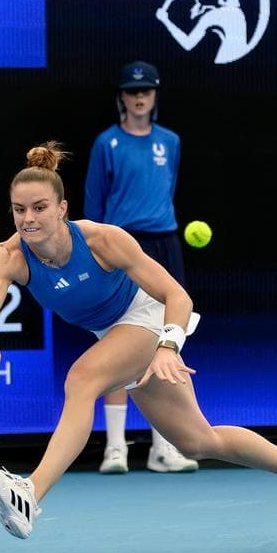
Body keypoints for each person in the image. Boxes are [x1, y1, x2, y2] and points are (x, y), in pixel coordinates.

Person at [0, 142, 277, 546]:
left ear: (62, 209)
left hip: (149, 318)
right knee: (198, 440)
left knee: (81, 379)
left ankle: (30, 492)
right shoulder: (7, 255)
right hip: (114, 334)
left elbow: (177, 296)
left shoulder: (102, 240)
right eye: (19, 209)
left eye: (40, 207)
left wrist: (168, 346)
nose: (28, 219)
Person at [84, 60, 198, 474]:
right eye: (132, 91)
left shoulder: (170, 142)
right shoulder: (106, 144)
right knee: (118, 341)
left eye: (146, 91)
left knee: (166, 339)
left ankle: (164, 448)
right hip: (120, 246)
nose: (139, 97)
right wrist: (96, 253)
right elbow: (94, 203)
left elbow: (165, 191)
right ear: (122, 97)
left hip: (164, 244)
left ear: (154, 96)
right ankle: (116, 447)